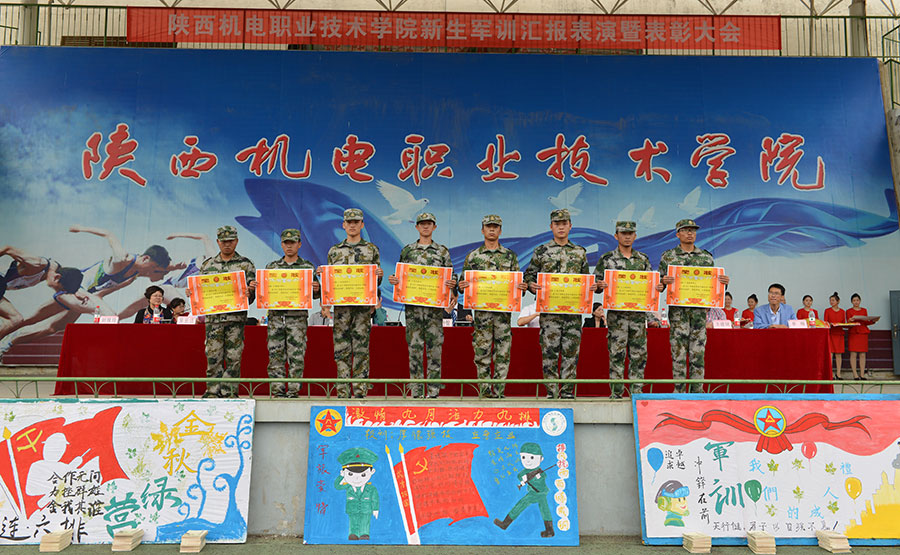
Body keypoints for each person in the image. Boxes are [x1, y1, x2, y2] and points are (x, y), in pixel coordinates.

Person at [458, 214, 527, 398]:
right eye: (488, 226)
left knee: (502, 353)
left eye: (495, 227)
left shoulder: (510, 256)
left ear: (500, 231)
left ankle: (499, 391)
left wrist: (522, 287)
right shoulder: (473, 256)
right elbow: (462, 283)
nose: (491, 229)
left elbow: (517, 284)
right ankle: (485, 392)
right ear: (482, 230)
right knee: (482, 353)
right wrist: (462, 285)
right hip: (482, 316)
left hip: (503, 316)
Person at [387, 213, 455, 398]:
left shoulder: (442, 252)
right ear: (416, 227)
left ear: (434, 227)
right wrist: (395, 280)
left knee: (435, 350)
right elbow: (401, 275)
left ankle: (433, 392)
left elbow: (451, 275)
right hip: (413, 311)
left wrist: (452, 282)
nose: (425, 227)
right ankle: (416, 391)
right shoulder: (408, 251)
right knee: (414, 350)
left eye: (429, 224)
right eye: (422, 224)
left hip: (434, 312)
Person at [658, 219, 730, 393]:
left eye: (693, 230)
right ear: (678, 234)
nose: (690, 233)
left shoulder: (706, 257)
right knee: (678, 354)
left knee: (698, 353)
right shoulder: (669, 257)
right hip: (678, 314)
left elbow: (712, 285)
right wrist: (663, 281)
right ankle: (679, 392)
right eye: (685, 230)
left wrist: (723, 283)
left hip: (699, 315)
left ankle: (697, 392)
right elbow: (659, 284)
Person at [523, 209, 588, 400]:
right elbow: (529, 275)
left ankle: (567, 392)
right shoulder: (541, 251)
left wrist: (590, 286)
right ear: (551, 226)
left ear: (570, 226)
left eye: (564, 223)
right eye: (557, 224)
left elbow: (585, 279)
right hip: (549, 314)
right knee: (549, 352)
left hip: (573, 313)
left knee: (571, 353)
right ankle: (551, 393)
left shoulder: (579, 252)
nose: (561, 227)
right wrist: (532, 286)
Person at [325, 208, 383, 398]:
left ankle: (359, 391)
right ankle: (342, 391)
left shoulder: (372, 250)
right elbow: (330, 280)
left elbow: (376, 281)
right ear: (343, 225)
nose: (352, 225)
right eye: (349, 222)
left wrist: (379, 276)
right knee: (341, 349)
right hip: (341, 310)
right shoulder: (334, 251)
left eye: (356, 222)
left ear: (362, 225)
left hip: (362, 310)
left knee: (361, 349)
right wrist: (323, 277)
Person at [197, 225, 257, 398]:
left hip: (235, 320)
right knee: (213, 356)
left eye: (230, 241)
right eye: (223, 241)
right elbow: (200, 290)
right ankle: (212, 392)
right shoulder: (208, 265)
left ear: (236, 241)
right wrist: (193, 293)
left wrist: (250, 292)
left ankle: (229, 392)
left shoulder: (246, 264)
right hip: (214, 320)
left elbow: (251, 295)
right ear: (218, 242)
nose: (227, 244)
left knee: (234, 357)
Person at [595, 220, 652, 398]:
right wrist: (599, 285)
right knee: (616, 354)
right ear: (616, 236)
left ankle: (637, 394)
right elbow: (595, 285)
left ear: (635, 236)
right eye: (623, 233)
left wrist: (657, 287)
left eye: (630, 233)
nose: (627, 237)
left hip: (638, 316)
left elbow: (650, 286)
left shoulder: (642, 259)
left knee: (639, 355)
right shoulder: (607, 259)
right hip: (616, 317)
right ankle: (616, 394)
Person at [265, 229, 320, 398]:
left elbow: (315, 295)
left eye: (293, 243)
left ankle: (294, 390)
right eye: (286, 243)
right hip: (276, 318)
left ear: (299, 244)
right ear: (282, 245)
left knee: (296, 355)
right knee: (275, 354)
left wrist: (316, 289)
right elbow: (265, 293)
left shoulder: (307, 267)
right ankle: (277, 390)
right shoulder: (272, 267)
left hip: (297, 319)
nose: (289, 246)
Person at [493, 442, 554, 538]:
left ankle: (549, 530)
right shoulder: (524, 472)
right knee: (524, 506)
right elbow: (520, 476)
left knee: (542, 509)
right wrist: (526, 478)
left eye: (532, 457)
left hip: (540, 493)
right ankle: (505, 524)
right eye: (524, 457)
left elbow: (543, 478)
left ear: (541, 459)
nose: (528, 461)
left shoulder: (540, 473)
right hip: (533, 493)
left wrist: (537, 477)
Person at [334, 447, 379, 541]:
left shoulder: (371, 489)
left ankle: (364, 534)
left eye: (363, 475)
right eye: (350, 474)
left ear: (372, 472)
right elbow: (337, 486)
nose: (357, 479)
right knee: (353, 521)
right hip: (352, 509)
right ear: (343, 472)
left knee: (365, 521)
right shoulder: (348, 486)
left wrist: (375, 509)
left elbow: (375, 499)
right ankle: (353, 533)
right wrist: (341, 477)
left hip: (366, 509)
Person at [847, 293, 871, 380]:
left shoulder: (864, 310)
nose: (856, 302)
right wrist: (850, 320)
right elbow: (848, 323)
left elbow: (866, 322)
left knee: (862, 354)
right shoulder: (849, 311)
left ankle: (862, 374)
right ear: (851, 302)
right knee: (853, 354)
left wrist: (872, 320)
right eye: (854, 300)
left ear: (860, 301)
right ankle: (855, 374)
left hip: (863, 333)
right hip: (854, 333)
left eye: (857, 300)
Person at [823, 292, 846, 380]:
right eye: (830, 300)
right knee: (830, 354)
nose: (831, 302)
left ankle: (838, 373)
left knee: (839, 354)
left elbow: (844, 323)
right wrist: (830, 324)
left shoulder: (842, 311)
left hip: (839, 334)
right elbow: (825, 322)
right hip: (831, 333)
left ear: (838, 301)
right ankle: (831, 374)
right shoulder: (827, 310)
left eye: (833, 300)